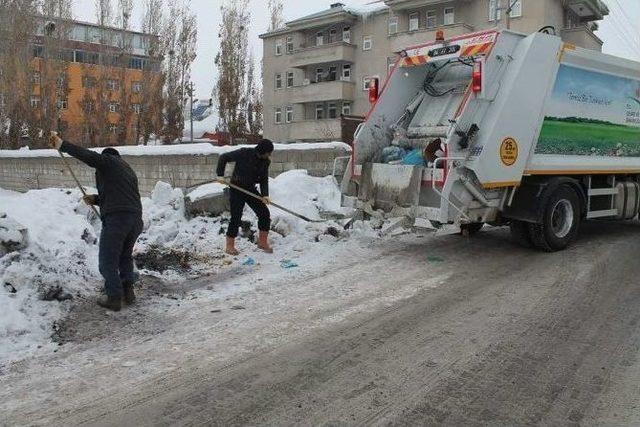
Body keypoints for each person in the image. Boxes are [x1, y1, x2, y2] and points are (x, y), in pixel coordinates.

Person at [48, 132, 143, 312]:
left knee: (107, 261)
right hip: (135, 220)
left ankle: (114, 297)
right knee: (124, 256)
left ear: (107, 156)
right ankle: (128, 292)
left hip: (117, 220)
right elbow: (121, 196)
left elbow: (89, 156)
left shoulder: (108, 161)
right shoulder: (127, 170)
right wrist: (96, 199)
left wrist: (62, 145)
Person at [217, 139, 274, 255]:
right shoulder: (244, 153)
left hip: (250, 190)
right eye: (268, 152)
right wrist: (220, 175)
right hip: (237, 188)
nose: (269, 155)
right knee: (236, 217)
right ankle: (229, 246)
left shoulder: (265, 162)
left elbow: (263, 179)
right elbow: (223, 157)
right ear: (263, 151)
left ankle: (262, 242)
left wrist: (265, 195)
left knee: (264, 213)